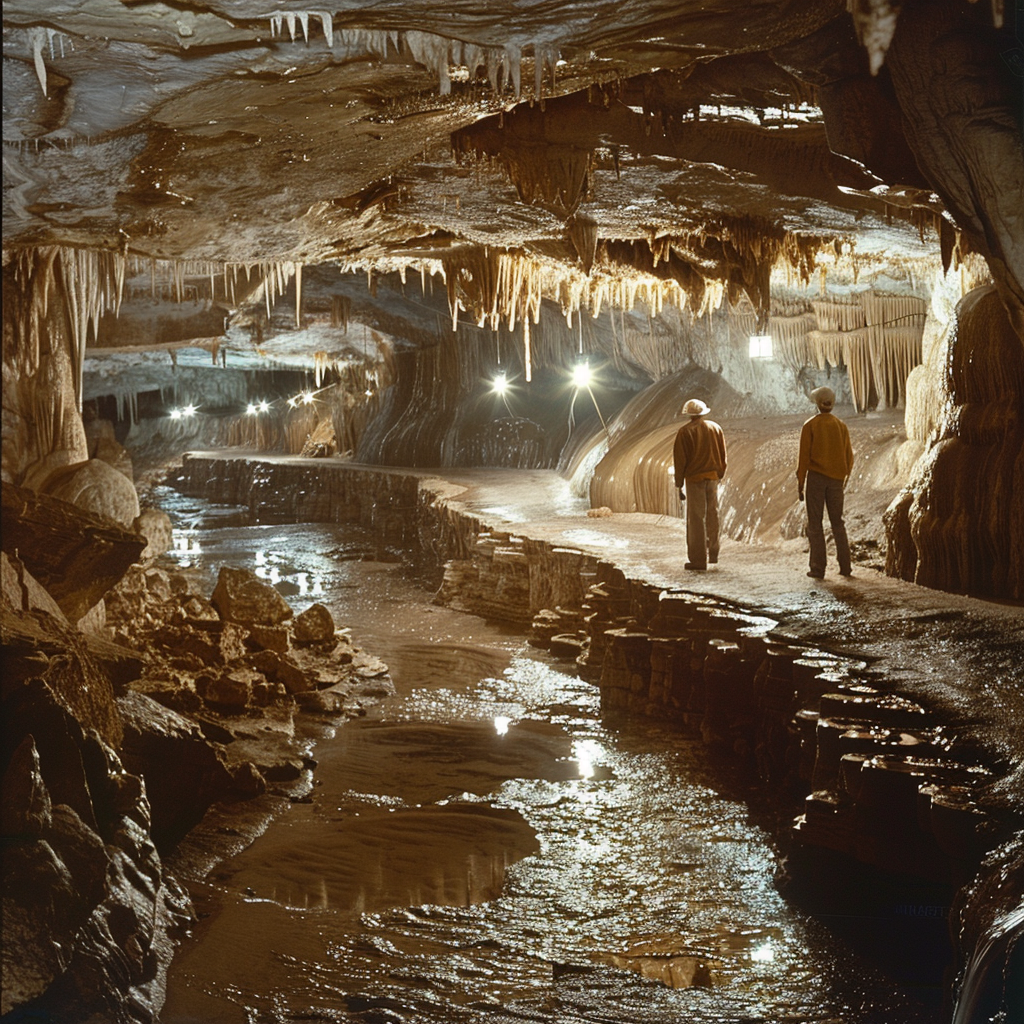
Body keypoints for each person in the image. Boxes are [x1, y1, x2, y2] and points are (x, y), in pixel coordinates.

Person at [797, 386, 854, 579]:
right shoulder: (841, 425)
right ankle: (845, 567)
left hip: (816, 479)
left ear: (817, 403)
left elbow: (803, 457)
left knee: (815, 524)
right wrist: (843, 477)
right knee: (838, 523)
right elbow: (849, 456)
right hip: (836, 480)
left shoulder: (810, 425)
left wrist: (800, 481)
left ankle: (818, 568)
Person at [673, 398, 727, 570]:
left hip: (694, 479)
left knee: (697, 519)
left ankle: (698, 560)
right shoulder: (715, 428)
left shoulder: (684, 432)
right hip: (712, 478)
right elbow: (723, 454)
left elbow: (680, 460)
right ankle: (713, 554)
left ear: (688, 414)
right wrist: (720, 474)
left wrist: (679, 483)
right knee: (713, 514)